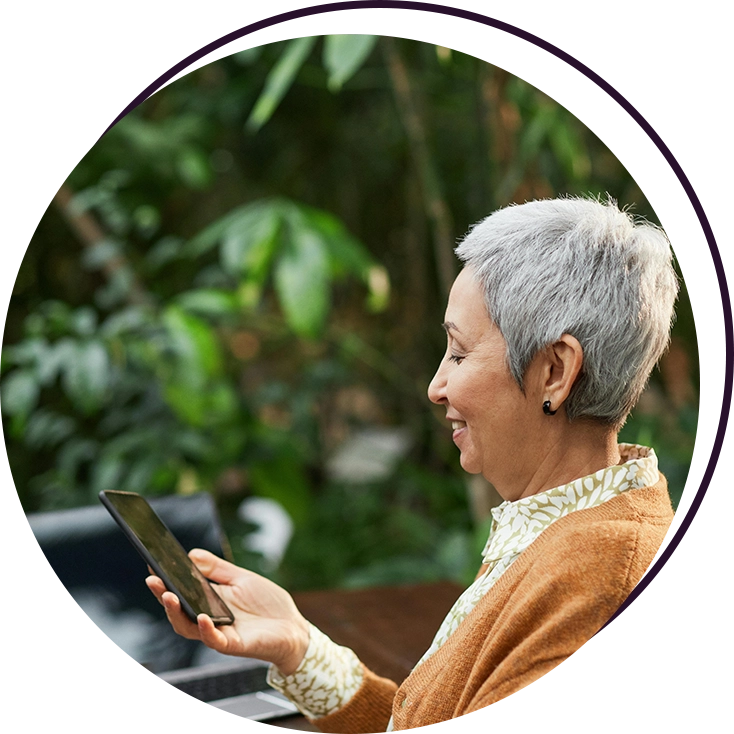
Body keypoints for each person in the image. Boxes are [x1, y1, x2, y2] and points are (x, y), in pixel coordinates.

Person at [146, 196, 679, 732]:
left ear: (555, 372)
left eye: (459, 352)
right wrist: (299, 647)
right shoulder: (568, 531)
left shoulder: (598, 583)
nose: (436, 386)